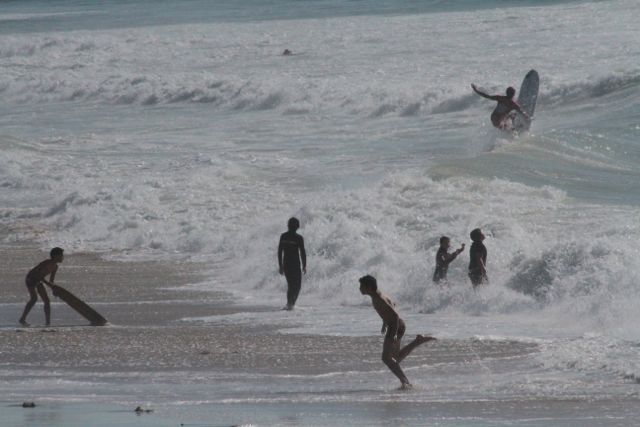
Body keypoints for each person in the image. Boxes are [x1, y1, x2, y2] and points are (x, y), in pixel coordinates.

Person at [359, 275, 435, 388]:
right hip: (396, 326)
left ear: (369, 287)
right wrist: (385, 322)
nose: (360, 288)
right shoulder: (378, 295)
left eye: (362, 286)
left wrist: (393, 333)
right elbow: (392, 305)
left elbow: (395, 315)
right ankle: (417, 341)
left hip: (395, 327)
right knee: (395, 359)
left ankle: (405, 382)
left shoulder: (379, 299)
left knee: (386, 358)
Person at [19, 247, 64, 326]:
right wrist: (49, 285)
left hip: (38, 280)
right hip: (30, 279)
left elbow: (51, 281)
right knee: (34, 299)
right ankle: (22, 319)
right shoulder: (46, 263)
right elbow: (39, 275)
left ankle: (48, 322)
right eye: (61, 255)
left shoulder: (55, 267)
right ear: (55, 256)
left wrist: (54, 290)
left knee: (46, 300)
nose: (62, 257)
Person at [278, 217, 306, 310]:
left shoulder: (296, 238)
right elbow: (280, 251)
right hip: (290, 265)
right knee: (293, 285)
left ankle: (291, 304)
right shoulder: (287, 237)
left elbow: (302, 252)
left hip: (291, 265)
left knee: (295, 286)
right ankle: (290, 304)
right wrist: (280, 266)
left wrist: (304, 265)